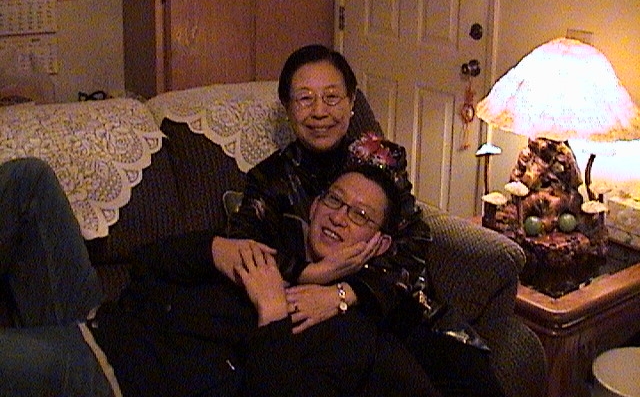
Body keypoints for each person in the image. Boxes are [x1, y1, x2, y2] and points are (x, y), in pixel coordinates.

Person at [0, 156, 441, 397]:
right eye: (334, 200)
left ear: (379, 243)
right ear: (315, 205)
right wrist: (214, 249)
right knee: (29, 180)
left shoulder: (347, 331)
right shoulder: (271, 243)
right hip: (101, 316)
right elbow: (144, 263)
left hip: (111, 371)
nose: (339, 217)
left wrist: (272, 314)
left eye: (360, 215)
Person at [227, 44, 437, 334]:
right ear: (287, 108)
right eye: (305, 99)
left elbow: (414, 244)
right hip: (313, 326)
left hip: (389, 312)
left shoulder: (380, 160)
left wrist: (342, 294)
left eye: (332, 97)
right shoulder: (269, 178)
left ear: (351, 102)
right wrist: (312, 273)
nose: (319, 112)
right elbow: (241, 249)